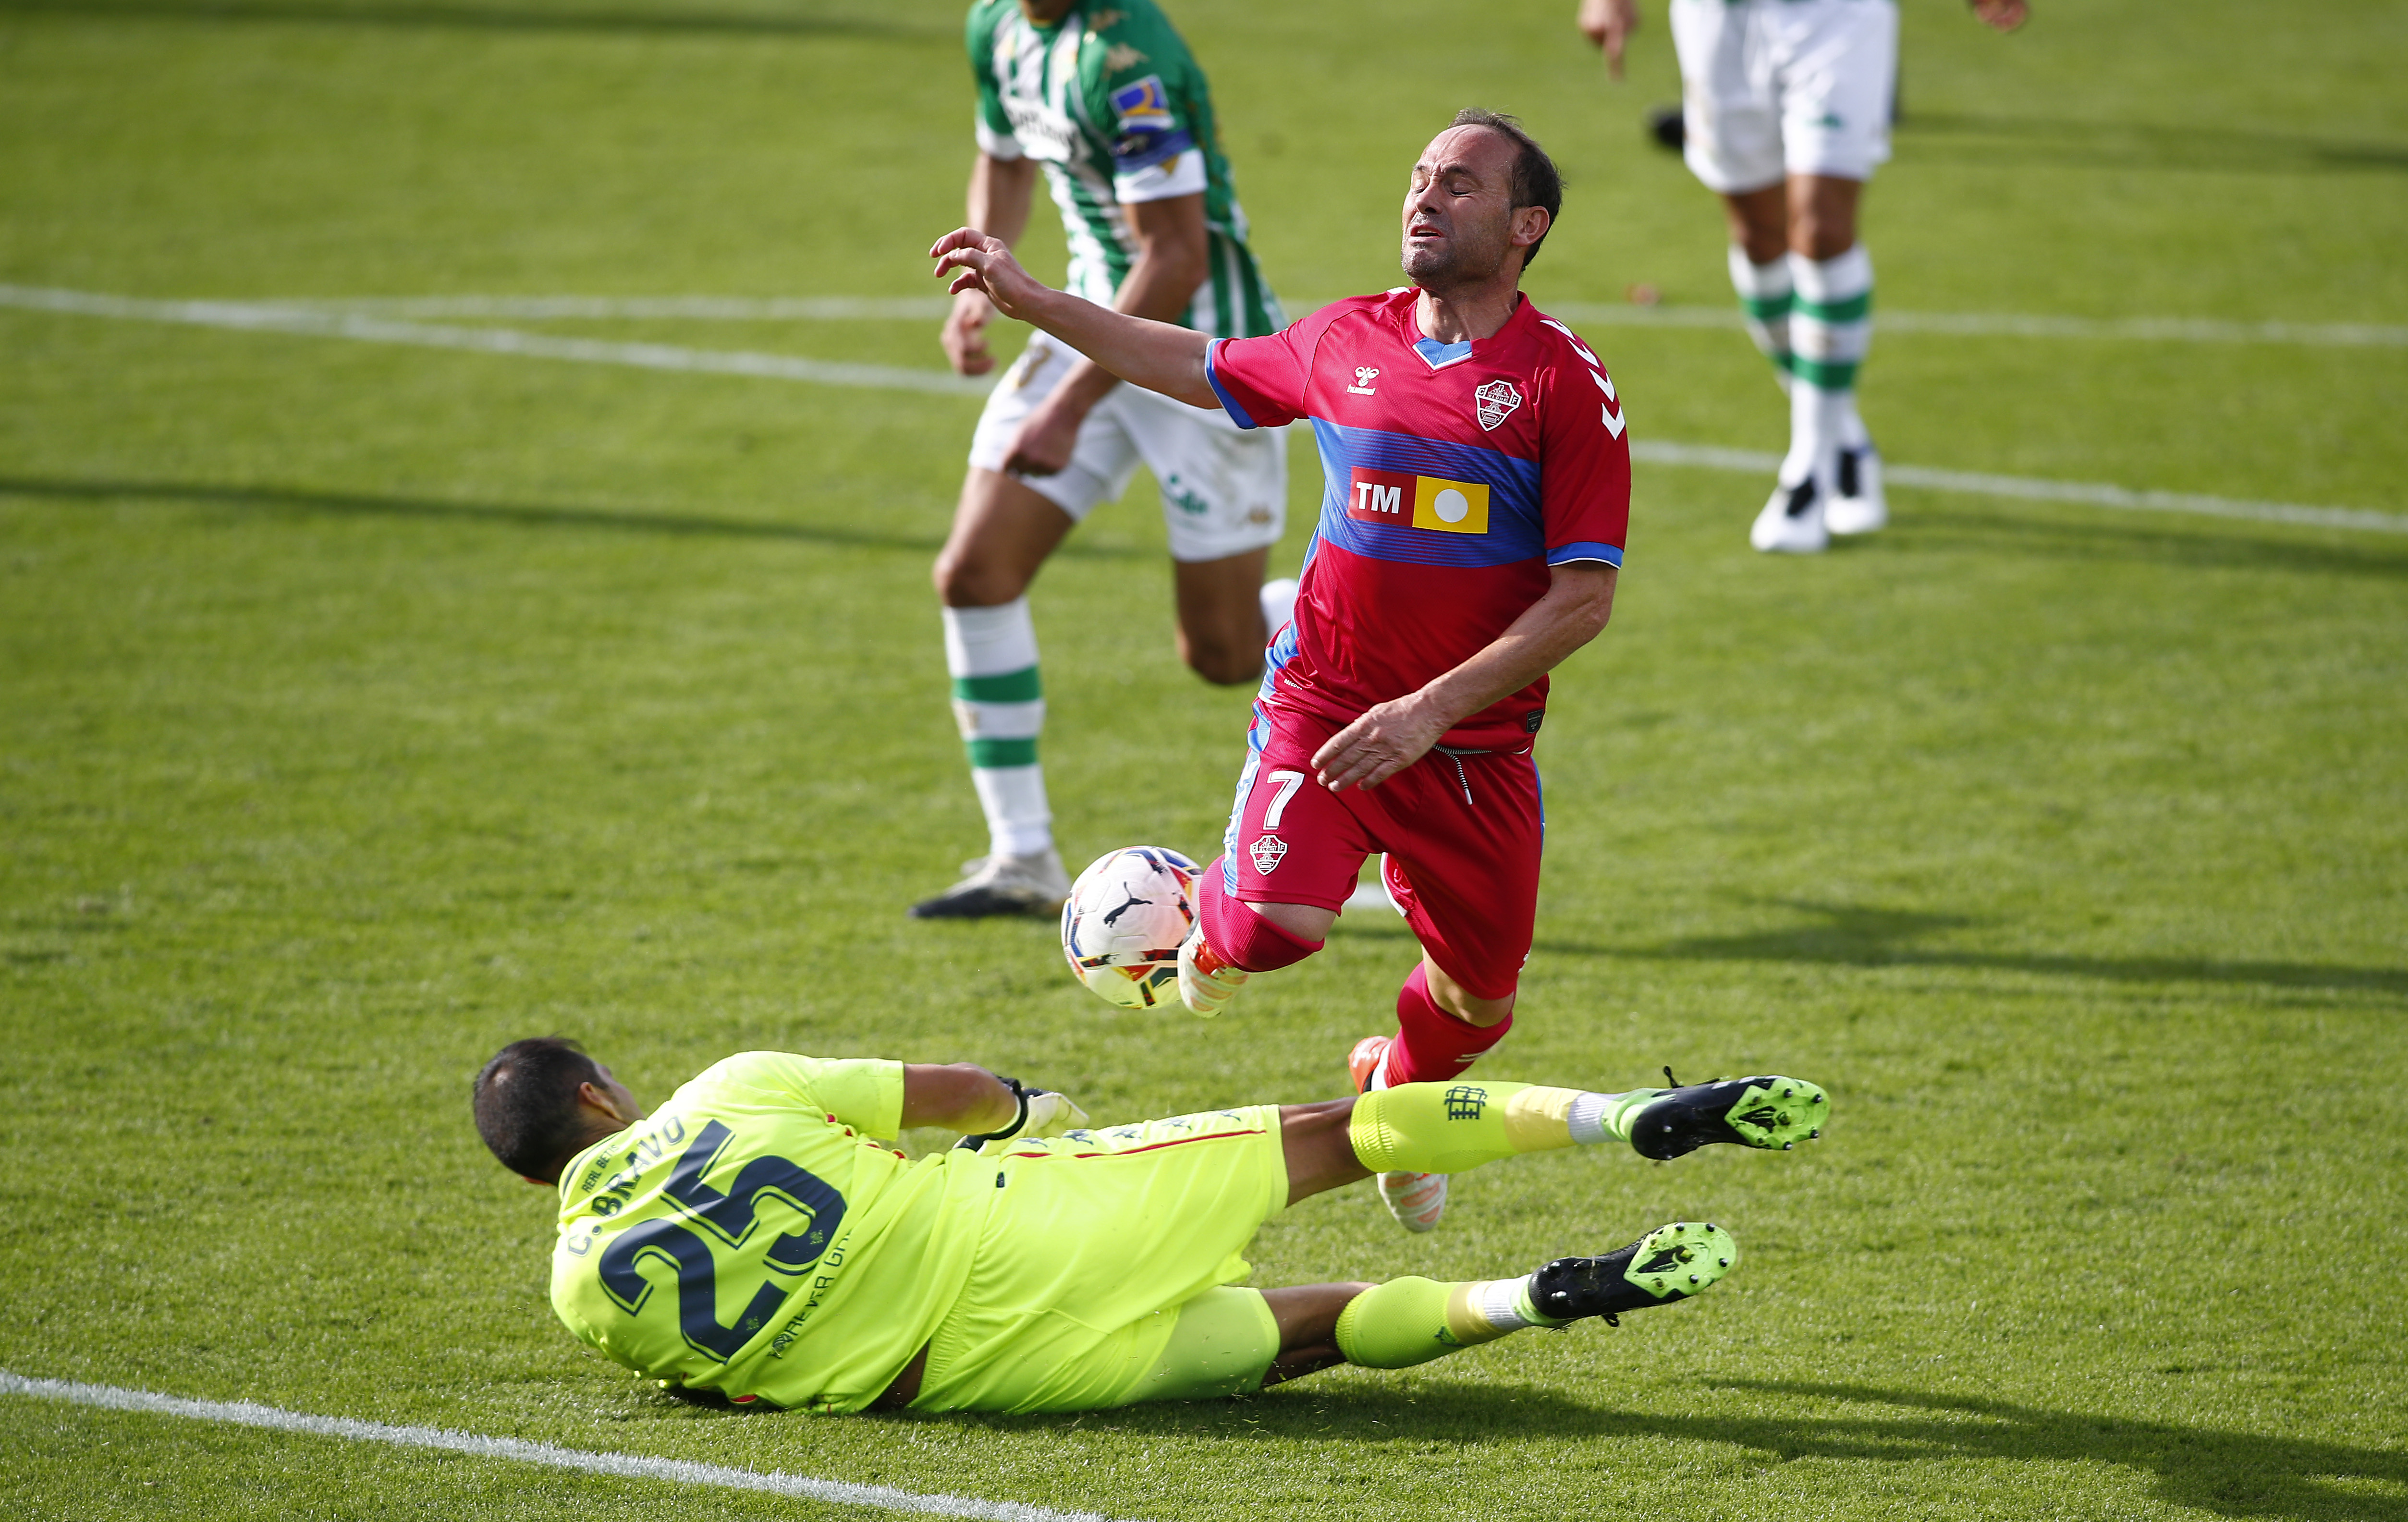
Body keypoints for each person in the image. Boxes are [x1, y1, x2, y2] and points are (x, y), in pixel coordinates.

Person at [930, 110, 1629, 1235]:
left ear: (1525, 226)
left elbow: (1583, 598)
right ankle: (1199, 900)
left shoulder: (1560, 383)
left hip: (1472, 747)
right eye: (1419, 176)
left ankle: (1392, 1088)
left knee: (1478, 1004)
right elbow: (1194, 365)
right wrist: (1039, 302)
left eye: (1460, 184)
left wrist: (1428, 712)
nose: (1425, 196)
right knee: (1270, 932)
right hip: (1325, 706)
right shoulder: (1348, 337)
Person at [472, 1036, 1830, 1414]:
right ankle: (1618, 1117)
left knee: (1304, 1336)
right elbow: (958, 1092)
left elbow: (729, 1380)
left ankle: (1538, 1294)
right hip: (1017, 1226)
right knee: (1338, 1131)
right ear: (597, 1095)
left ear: (541, 1181)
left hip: (981, 1376)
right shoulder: (729, 1090)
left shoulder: (580, 1291)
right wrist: (1024, 1109)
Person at [913, 0, 1295, 920]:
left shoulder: (1128, 62)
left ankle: (1339, 618)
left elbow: (1176, 256)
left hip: (1206, 360)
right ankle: (1022, 857)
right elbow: (1004, 157)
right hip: (1086, 319)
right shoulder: (998, 27)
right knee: (972, 573)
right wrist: (978, 279)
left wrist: (1066, 408)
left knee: (1222, 653)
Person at [1577, 0, 2029, 553]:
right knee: (1757, 236)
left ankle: (1808, 473)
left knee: (1821, 230)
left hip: (1834, 15)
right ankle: (1846, 443)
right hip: (1718, 18)